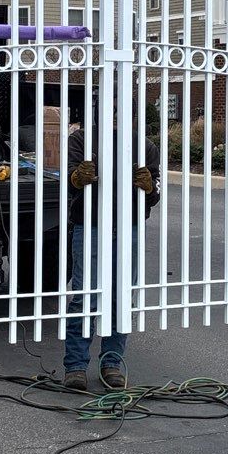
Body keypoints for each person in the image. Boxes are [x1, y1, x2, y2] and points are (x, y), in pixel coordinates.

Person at [62, 103, 160, 392]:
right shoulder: (81, 140)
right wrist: (77, 177)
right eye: (111, 111)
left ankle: (111, 364)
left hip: (127, 226)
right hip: (89, 226)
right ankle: (76, 366)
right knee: (85, 297)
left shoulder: (144, 146)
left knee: (121, 297)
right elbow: (68, 182)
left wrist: (149, 188)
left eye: (122, 112)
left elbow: (155, 193)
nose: (116, 117)